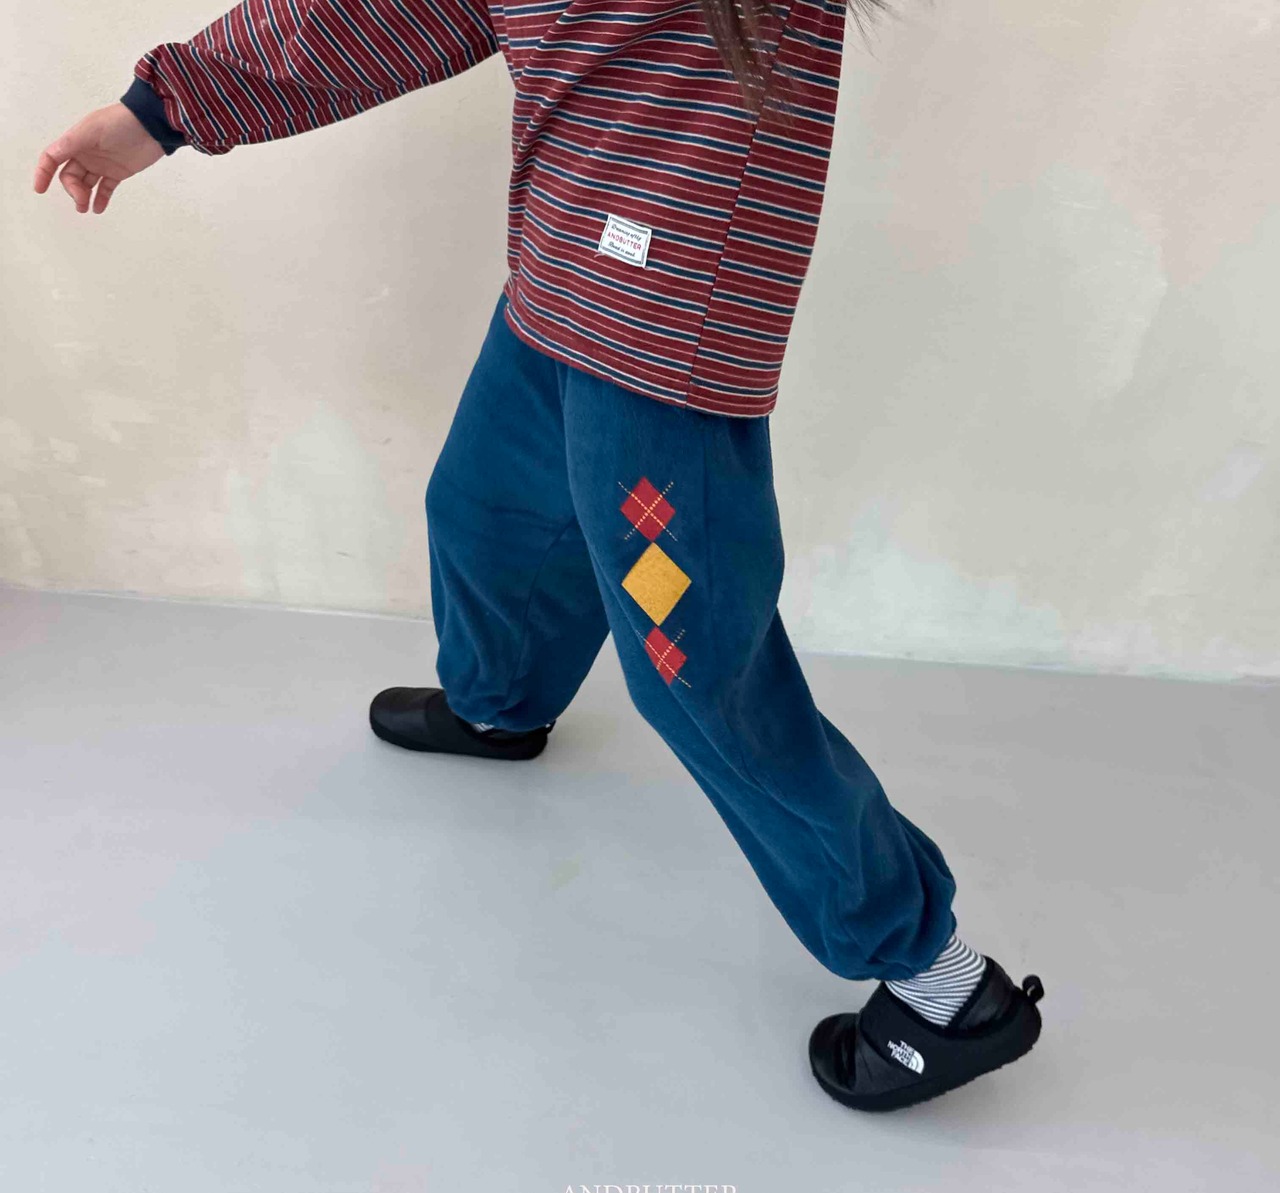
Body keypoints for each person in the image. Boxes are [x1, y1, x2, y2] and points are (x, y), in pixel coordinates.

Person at [32, 0, 1043, 1111]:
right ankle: (500, 706)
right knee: (487, 510)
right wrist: (161, 110)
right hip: (560, 266)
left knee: (694, 662)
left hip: (663, 327)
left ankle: (942, 983)